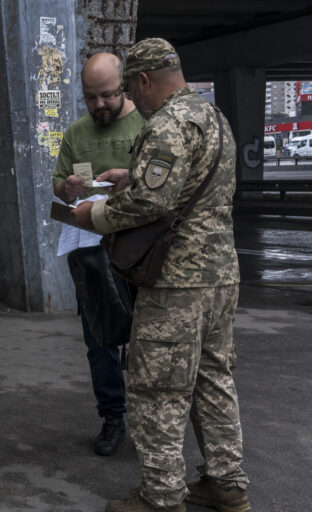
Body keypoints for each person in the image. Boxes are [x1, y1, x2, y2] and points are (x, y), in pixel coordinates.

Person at [72, 38, 250, 512]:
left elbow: (153, 202)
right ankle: (227, 483)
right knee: (214, 380)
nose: (133, 98)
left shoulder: (167, 122)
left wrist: (96, 215)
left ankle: (161, 496)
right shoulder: (213, 117)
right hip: (221, 276)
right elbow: (188, 183)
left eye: (131, 87)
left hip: (177, 283)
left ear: (144, 81)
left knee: (157, 388)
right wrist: (133, 177)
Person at [53, 53, 145, 456]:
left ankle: (151, 421)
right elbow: (57, 188)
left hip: (145, 253)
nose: (99, 106)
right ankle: (112, 417)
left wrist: (133, 178)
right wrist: (67, 189)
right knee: (101, 341)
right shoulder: (76, 134)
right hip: (92, 253)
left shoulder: (149, 124)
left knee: (149, 341)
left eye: (106, 96)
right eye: (90, 98)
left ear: (124, 87)